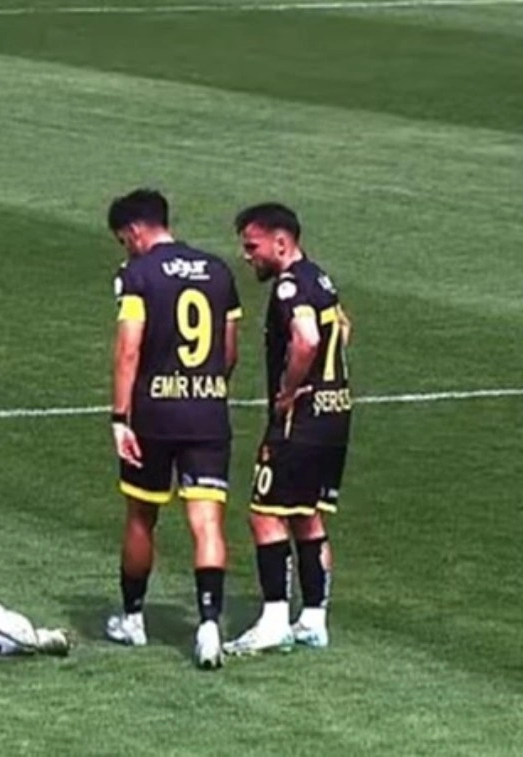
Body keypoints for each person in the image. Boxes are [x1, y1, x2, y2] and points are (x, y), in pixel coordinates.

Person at [102, 189, 242, 670]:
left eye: (124, 240)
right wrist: (206, 388)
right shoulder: (218, 271)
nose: (127, 249)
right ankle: (209, 624)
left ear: (135, 231)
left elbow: (128, 349)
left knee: (141, 516)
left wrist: (120, 417)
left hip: (154, 414)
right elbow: (229, 350)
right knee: (207, 520)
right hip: (208, 412)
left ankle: (133, 618)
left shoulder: (138, 275)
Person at [224, 203, 353, 655]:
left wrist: (287, 390)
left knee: (264, 514)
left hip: (301, 419)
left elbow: (308, 338)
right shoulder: (320, 279)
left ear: (280, 243)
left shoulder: (289, 286)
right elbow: (343, 328)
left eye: (252, 246)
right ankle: (313, 620)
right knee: (306, 514)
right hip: (335, 413)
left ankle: (274, 620)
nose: (247, 256)